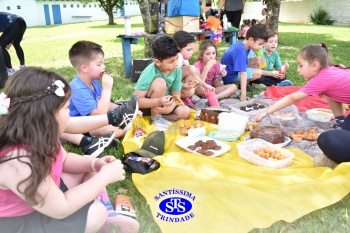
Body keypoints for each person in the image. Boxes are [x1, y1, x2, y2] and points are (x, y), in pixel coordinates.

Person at [0, 67, 140, 233]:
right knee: (96, 212)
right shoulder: (19, 162)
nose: (70, 114)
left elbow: (65, 160)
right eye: (67, 108)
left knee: (87, 168)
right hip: (19, 223)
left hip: (39, 200)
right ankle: (103, 214)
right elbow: (61, 208)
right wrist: (105, 177)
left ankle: (108, 215)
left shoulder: (38, 132)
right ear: (47, 116)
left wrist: (95, 163)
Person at [61, 41, 139, 158]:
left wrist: (126, 110)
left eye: (103, 63)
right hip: (79, 127)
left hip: (92, 122)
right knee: (105, 128)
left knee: (122, 120)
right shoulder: (77, 88)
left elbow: (105, 103)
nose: (103, 67)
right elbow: (98, 115)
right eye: (99, 64)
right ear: (84, 68)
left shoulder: (93, 81)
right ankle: (109, 135)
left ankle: (110, 135)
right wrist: (107, 89)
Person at [255, 44, 350, 129]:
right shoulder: (328, 72)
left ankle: (342, 124)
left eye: (301, 66)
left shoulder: (321, 79)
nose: (298, 70)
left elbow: (292, 98)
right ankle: (340, 121)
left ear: (315, 65)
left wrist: (266, 112)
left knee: (343, 135)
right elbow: (332, 94)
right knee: (329, 93)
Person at [133, 36, 191, 121]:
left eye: (177, 59)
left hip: (163, 103)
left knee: (185, 112)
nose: (176, 63)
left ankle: (159, 119)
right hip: (147, 106)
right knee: (160, 82)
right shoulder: (149, 72)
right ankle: (155, 120)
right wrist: (159, 102)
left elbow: (176, 95)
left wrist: (170, 107)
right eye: (171, 61)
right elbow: (136, 101)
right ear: (157, 62)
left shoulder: (177, 69)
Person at [221, 24, 268, 101]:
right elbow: (243, 72)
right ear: (251, 39)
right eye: (260, 44)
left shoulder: (243, 46)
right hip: (229, 76)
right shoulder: (241, 50)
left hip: (231, 73)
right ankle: (235, 86)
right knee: (258, 72)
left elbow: (242, 64)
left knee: (256, 68)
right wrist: (243, 95)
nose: (260, 48)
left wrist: (255, 61)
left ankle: (236, 85)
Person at [172, 30, 214, 107]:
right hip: (169, 86)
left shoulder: (183, 58)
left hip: (176, 86)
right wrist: (182, 85)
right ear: (178, 48)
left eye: (192, 50)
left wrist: (205, 85)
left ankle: (185, 98)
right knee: (192, 68)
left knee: (191, 90)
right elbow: (169, 79)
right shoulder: (177, 58)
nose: (191, 52)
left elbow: (193, 75)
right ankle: (180, 99)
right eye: (188, 50)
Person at [194, 40, 237, 105]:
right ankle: (214, 97)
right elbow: (199, 84)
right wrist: (206, 68)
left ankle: (213, 98)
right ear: (201, 55)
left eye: (213, 53)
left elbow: (216, 85)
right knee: (199, 89)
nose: (211, 56)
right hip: (201, 89)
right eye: (208, 54)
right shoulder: (197, 65)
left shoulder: (217, 65)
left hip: (211, 89)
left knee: (234, 87)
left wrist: (219, 76)